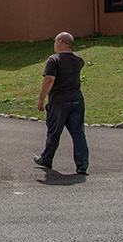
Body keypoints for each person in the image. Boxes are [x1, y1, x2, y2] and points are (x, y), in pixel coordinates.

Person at [34, 31, 89, 174]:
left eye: (55, 40)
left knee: (54, 132)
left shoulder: (54, 60)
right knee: (78, 133)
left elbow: (49, 79)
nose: (54, 43)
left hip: (59, 101)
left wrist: (41, 99)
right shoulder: (79, 59)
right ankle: (82, 165)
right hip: (77, 100)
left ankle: (46, 159)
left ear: (60, 42)